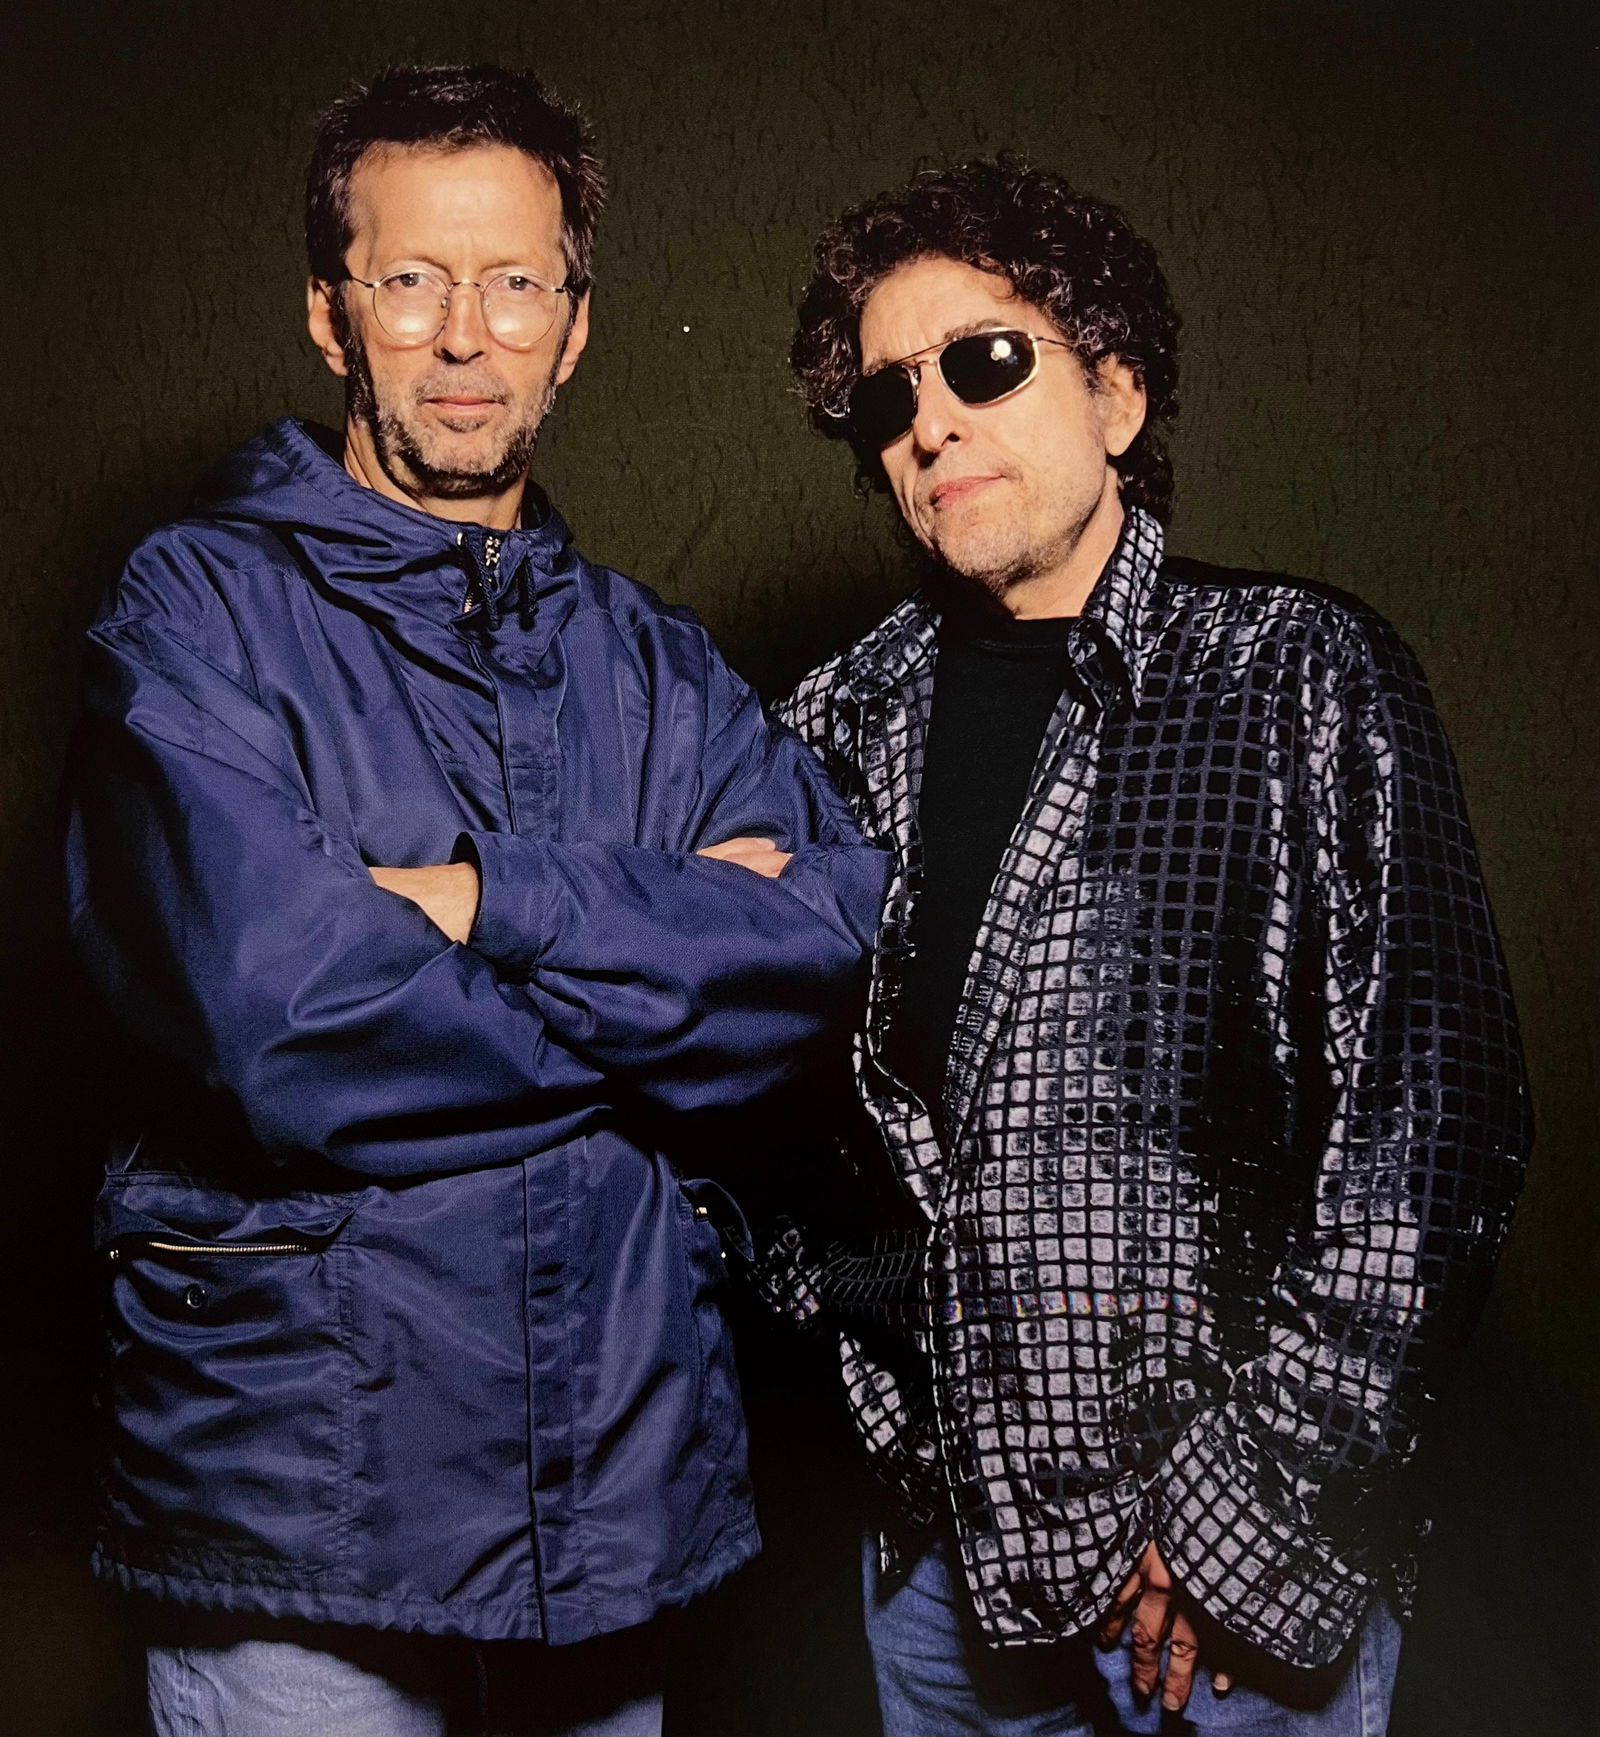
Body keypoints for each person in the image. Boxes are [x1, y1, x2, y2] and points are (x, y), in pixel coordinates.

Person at [65, 63, 885, 1737]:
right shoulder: (194, 611)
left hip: (612, 1528)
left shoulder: (656, 666)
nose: (463, 337)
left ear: (575, 324)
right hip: (306, 1535)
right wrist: (665, 961)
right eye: (411, 280)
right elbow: (290, 1018)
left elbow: (828, 947)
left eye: (514, 283)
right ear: (328, 312)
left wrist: (482, 899)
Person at [772, 156, 1531, 1736]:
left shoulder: (1302, 677)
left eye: (986, 359)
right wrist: (895, 1432)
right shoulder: (823, 727)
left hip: (1228, 1595)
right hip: (937, 1576)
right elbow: (802, 1138)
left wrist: (1236, 1533)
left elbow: (1430, 1144)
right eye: (889, 394)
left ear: (1114, 392)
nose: (933, 420)